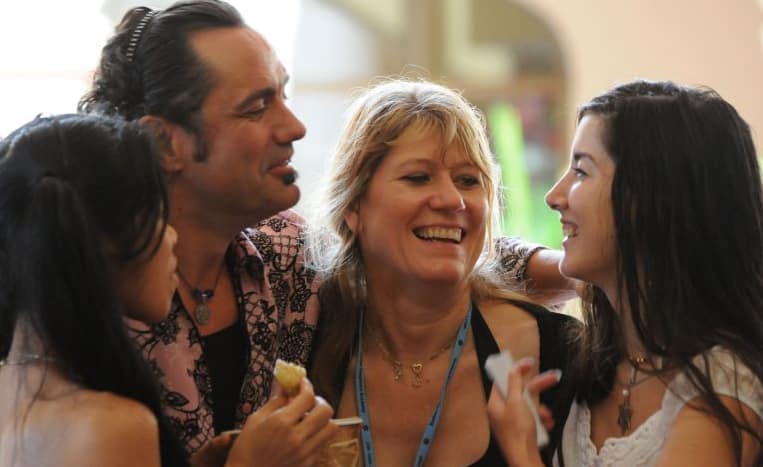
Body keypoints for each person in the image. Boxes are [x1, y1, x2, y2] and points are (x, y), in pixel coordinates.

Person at [79, 0, 569, 455]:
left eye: (284, 95)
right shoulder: (85, 303)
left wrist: (573, 266)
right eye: (257, 107)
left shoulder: (282, 254)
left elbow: (421, 251)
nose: (295, 127)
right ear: (164, 143)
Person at [487, 80, 763, 466]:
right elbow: (494, 259)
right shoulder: (603, 357)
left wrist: (521, 449)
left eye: (581, 172)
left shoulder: (724, 381)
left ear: (649, 199)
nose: (554, 196)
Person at [307, 79, 578, 466]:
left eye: (468, 180)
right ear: (353, 208)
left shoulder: (557, 353)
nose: (453, 200)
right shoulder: (303, 340)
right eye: (418, 177)